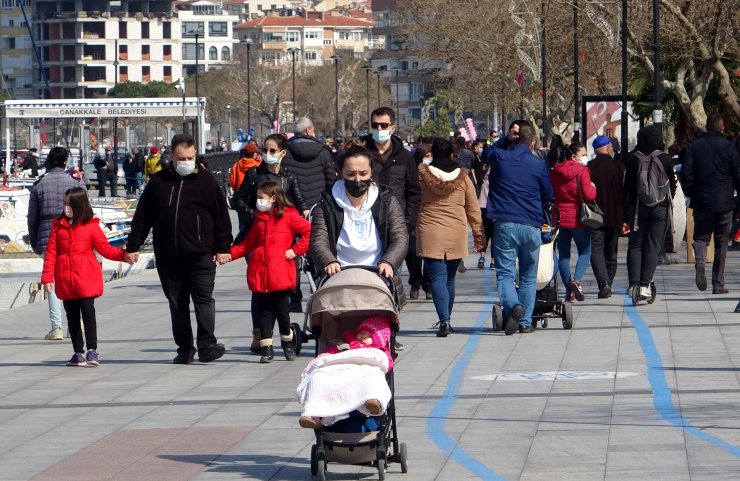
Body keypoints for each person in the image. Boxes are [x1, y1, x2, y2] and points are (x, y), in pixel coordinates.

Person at [125, 133, 232, 364]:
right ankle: (185, 349)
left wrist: (223, 247)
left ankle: (207, 345)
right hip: (168, 255)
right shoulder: (158, 182)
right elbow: (143, 217)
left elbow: (221, 217)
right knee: (177, 303)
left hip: (201, 254)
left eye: (190, 157)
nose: (186, 162)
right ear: (172, 155)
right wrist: (133, 245)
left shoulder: (206, 181)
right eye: (182, 157)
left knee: (204, 300)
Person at [41, 188, 131, 366]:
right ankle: (77, 352)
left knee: (88, 313)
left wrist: (124, 255)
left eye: (70, 204)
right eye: (65, 203)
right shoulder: (58, 227)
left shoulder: (91, 226)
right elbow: (51, 253)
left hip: (85, 277)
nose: (66, 207)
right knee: (72, 317)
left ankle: (92, 350)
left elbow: (105, 249)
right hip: (66, 277)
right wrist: (47, 278)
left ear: (79, 205)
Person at [223, 182, 311, 363]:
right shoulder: (260, 218)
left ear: (273, 198)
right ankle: (267, 348)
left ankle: (287, 342)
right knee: (264, 312)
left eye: (261, 197)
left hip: (280, 272)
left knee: (282, 312)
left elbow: (309, 232)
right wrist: (228, 255)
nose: (258, 201)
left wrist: (295, 251)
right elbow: (249, 244)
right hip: (261, 272)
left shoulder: (289, 216)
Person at [487, 122, 553, 334]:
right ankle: (525, 322)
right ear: (532, 144)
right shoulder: (538, 165)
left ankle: (513, 306)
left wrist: (506, 138)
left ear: (514, 139)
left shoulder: (500, 158)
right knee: (528, 274)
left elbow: (487, 153)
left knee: (505, 273)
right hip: (531, 224)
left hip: (505, 223)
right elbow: (548, 194)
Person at [363, 107, 420, 350]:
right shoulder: (361, 154)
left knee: (391, 282)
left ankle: (389, 334)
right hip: (365, 226)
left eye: (383, 126)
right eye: (375, 125)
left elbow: (414, 192)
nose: (379, 130)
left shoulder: (405, 157)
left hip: (395, 228)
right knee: (368, 282)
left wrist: (407, 225)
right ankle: (368, 331)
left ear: (392, 128)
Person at [309, 143, 408, 284]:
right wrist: (329, 261)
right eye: (350, 174)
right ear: (341, 172)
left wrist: (388, 261)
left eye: (363, 173)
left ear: (371, 172)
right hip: (338, 277)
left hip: (378, 275)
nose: (357, 179)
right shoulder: (327, 203)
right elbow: (318, 239)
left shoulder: (386, 200)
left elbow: (400, 236)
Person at [417, 138, 483, 337]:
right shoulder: (463, 178)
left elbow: (412, 200)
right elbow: (473, 208)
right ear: (453, 154)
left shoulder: (421, 175)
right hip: (456, 230)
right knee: (450, 280)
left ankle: (444, 320)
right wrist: (479, 236)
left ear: (432, 153)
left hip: (429, 230)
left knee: (437, 277)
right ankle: (447, 319)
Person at [27, 147, 86, 340]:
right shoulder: (75, 182)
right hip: (74, 233)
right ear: (65, 162)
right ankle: (76, 325)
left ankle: (57, 327)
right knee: (75, 277)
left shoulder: (39, 184)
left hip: (47, 233)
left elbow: (32, 217)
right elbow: (86, 209)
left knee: (50, 280)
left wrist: (34, 241)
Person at [297, 316, 394, 429]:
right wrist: (325, 358)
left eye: (369, 335)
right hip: (340, 369)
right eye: (361, 333)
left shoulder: (379, 351)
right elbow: (329, 355)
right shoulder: (345, 345)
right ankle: (313, 415)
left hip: (365, 368)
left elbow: (387, 363)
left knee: (373, 376)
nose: (363, 336)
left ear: (378, 339)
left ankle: (373, 401)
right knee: (317, 377)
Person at [680, 113, 740, 294]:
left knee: (701, 236)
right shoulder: (729, 147)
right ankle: (718, 284)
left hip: (702, 200)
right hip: (724, 201)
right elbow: (737, 174)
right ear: (721, 127)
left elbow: (686, 172)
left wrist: (691, 192)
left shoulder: (693, 146)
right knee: (722, 242)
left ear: (707, 126)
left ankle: (700, 261)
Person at [624, 124, 677, 301]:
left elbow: (627, 186)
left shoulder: (633, 159)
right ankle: (645, 286)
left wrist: (628, 206)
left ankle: (633, 283)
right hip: (660, 209)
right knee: (653, 245)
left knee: (636, 245)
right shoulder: (666, 159)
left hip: (637, 208)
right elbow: (673, 185)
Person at [550, 141, 597, 302]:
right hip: (578, 218)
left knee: (563, 254)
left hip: (559, 218)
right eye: (583, 154)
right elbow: (589, 195)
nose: (585, 157)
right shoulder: (582, 171)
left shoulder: (555, 171)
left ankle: (569, 290)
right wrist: (593, 187)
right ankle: (576, 281)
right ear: (573, 156)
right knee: (585, 251)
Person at [588, 135, 626, 298]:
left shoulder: (589, 167)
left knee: (596, 249)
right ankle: (608, 282)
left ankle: (603, 283)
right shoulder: (618, 167)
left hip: (594, 215)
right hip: (614, 214)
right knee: (611, 251)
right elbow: (625, 193)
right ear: (608, 148)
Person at [282, 117, 337, 208]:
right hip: (319, 205)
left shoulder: (285, 152)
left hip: (293, 205)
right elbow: (331, 180)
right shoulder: (323, 152)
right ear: (308, 130)